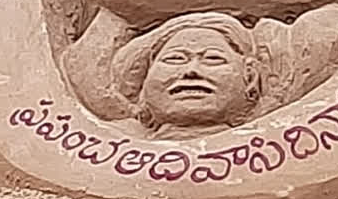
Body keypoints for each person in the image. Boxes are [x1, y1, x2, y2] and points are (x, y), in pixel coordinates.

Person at [111, 13, 261, 139]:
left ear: (249, 76)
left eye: (212, 59)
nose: (191, 70)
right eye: (175, 59)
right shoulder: (114, 139)